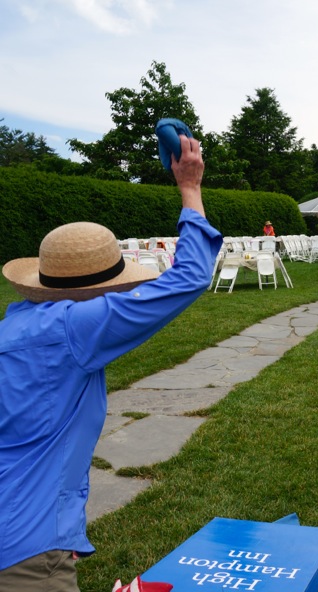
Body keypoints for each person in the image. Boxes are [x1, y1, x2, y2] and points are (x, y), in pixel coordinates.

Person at [0, 134, 222, 590]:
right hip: (26, 543)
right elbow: (191, 277)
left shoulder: (13, 327)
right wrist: (190, 188)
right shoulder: (76, 328)